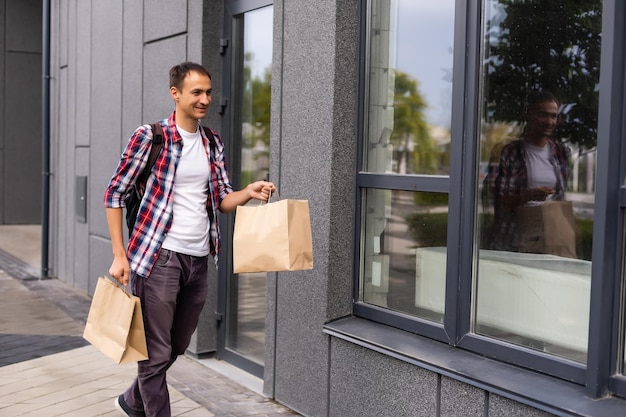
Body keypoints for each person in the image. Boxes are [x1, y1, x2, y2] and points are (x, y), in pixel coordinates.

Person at [103, 61, 274, 417]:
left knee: (177, 345)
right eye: (197, 92)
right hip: (158, 257)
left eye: (209, 92)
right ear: (176, 93)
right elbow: (114, 194)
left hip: (198, 260)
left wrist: (247, 192)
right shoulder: (151, 137)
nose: (205, 99)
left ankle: (132, 401)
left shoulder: (212, 141)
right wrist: (120, 255)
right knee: (154, 352)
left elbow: (222, 200)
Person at [487, 90, 571, 253]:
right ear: (530, 115)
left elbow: (561, 196)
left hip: (551, 235)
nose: (549, 121)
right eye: (543, 115)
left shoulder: (562, 152)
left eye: (553, 116)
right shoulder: (510, 152)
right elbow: (498, 199)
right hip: (515, 236)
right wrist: (529, 195)